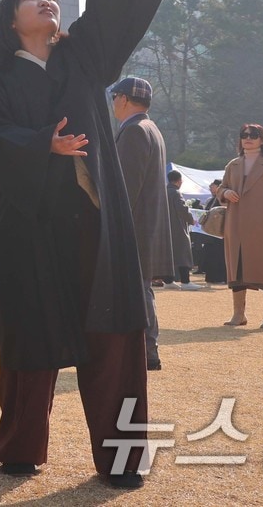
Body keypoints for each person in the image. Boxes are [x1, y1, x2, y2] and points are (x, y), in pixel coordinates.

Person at [0, 0, 167, 488]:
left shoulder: (82, 59)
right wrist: (41, 147)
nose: (47, 1)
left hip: (91, 220)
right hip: (27, 223)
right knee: (29, 334)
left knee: (114, 335)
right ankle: (20, 446)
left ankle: (124, 457)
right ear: (10, 21)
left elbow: (108, 10)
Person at [111, 76, 173, 371]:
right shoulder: (151, 129)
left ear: (123, 99)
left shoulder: (134, 131)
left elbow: (124, 187)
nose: (112, 104)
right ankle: (147, 348)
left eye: (114, 97)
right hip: (147, 224)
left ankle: (146, 349)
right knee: (142, 288)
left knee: (137, 289)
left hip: (133, 225)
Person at [210, 124, 263, 329]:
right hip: (236, 224)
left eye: (253, 135)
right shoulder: (233, 165)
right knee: (236, 270)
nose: (248, 138)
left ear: (262, 140)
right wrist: (225, 193)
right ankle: (238, 314)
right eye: (244, 135)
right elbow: (222, 187)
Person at [165, 171, 200, 290]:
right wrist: (191, 220)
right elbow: (182, 209)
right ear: (179, 180)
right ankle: (185, 281)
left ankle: (168, 281)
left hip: (164, 227)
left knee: (168, 254)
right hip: (177, 227)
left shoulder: (162, 192)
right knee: (183, 253)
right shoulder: (176, 193)